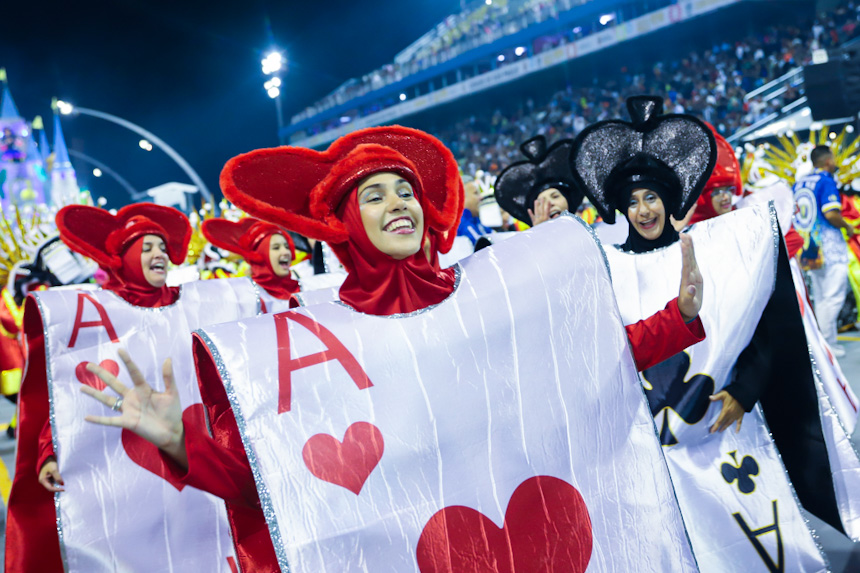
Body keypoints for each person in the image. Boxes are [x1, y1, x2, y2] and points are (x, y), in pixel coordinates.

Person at [81, 125, 707, 571]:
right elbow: (276, 483)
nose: (397, 204)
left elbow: (581, 359)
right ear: (344, 223)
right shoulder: (313, 341)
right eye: (373, 196)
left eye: (404, 190)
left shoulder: (488, 295)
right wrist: (178, 441)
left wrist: (676, 320)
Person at [569, 95, 842, 570]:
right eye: (631, 202)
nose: (643, 210)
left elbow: (760, 329)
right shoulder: (606, 270)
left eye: (651, 196)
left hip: (726, 431)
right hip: (653, 450)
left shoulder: (717, 251)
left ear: (668, 199)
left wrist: (744, 391)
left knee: (760, 551)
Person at [6, 204, 259, 573]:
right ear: (122, 257)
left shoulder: (202, 305)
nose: (159, 254)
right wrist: (50, 450)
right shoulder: (94, 316)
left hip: (199, 456)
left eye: (161, 246)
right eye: (146, 248)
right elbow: (71, 389)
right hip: (127, 470)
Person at [793, 145, 857, 356]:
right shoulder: (825, 181)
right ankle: (827, 345)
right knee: (832, 297)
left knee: (821, 297)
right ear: (828, 160)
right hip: (828, 247)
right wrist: (847, 226)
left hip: (808, 245)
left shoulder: (801, 181)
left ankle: (823, 342)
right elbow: (830, 214)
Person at [202, 217, 301, 312]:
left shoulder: (306, 285)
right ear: (259, 256)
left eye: (287, 246)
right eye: (276, 248)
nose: (286, 252)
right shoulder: (242, 297)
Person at [494, 135, 584, 227]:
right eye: (541, 203)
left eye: (555, 196)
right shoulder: (526, 241)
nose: (550, 204)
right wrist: (540, 232)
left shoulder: (595, 231)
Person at [455, 174, 490, 244]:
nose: (481, 197)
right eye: (476, 193)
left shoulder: (476, 221)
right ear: (461, 198)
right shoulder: (459, 226)